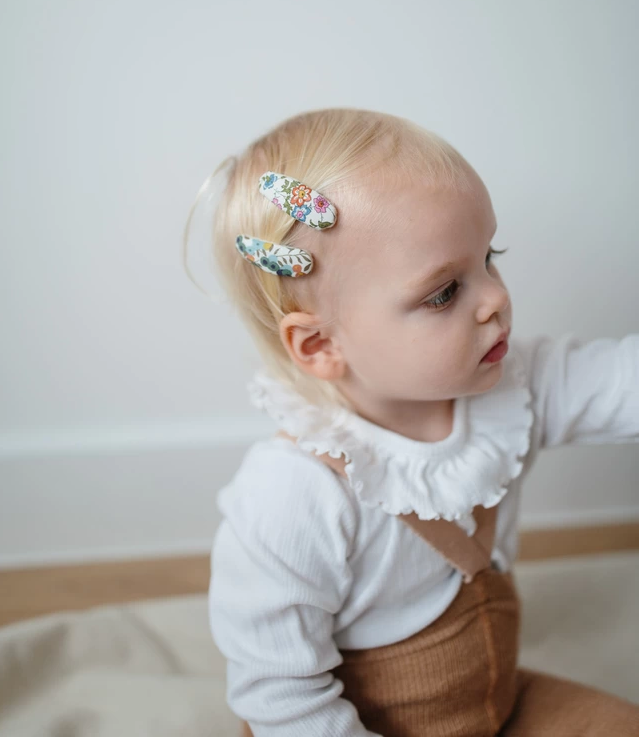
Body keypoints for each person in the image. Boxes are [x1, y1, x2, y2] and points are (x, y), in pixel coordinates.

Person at [184, 108, 639, 736]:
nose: (497, 298)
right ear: (321, 347)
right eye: (445, 293)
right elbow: (280, 693)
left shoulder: (513, 391)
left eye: (490, 256)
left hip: (495, 702)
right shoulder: (292, 495)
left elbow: (621, 382)